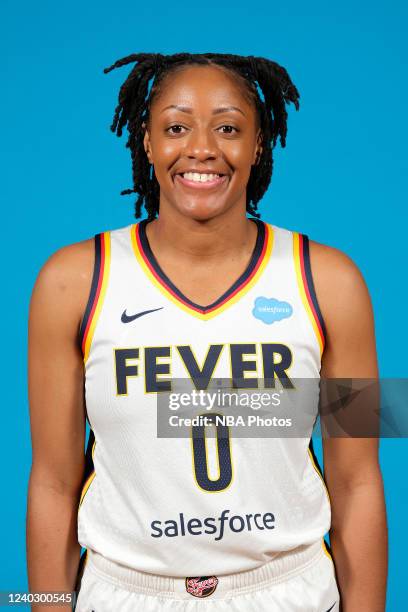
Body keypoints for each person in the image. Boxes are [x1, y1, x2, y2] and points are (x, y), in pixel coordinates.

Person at [26, 52, 387, 611]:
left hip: (286, 591)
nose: (201, 148)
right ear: (146, 142)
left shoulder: (334, 282)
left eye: (228, 127)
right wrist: (44, 605)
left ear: (258, 143)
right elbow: (51, 482)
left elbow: (360, 481)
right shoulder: (71, 281)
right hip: (125, 593)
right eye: (175, 127)